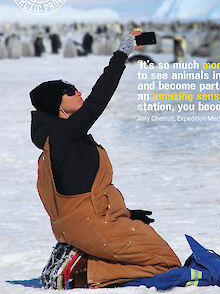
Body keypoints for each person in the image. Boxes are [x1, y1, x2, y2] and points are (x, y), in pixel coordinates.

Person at [30, 31, 181, 289]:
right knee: (165, 263)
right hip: (91, 224)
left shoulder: (62, 138)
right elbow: (97, 101)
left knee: (160, 253)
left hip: (97, 219)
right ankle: (80, 267)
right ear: (58, 106)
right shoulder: (63, 135)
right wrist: (121, 54)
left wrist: (127, 213)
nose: (78, 91)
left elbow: (80, 186)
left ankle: (82, 258)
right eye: (69, 91)